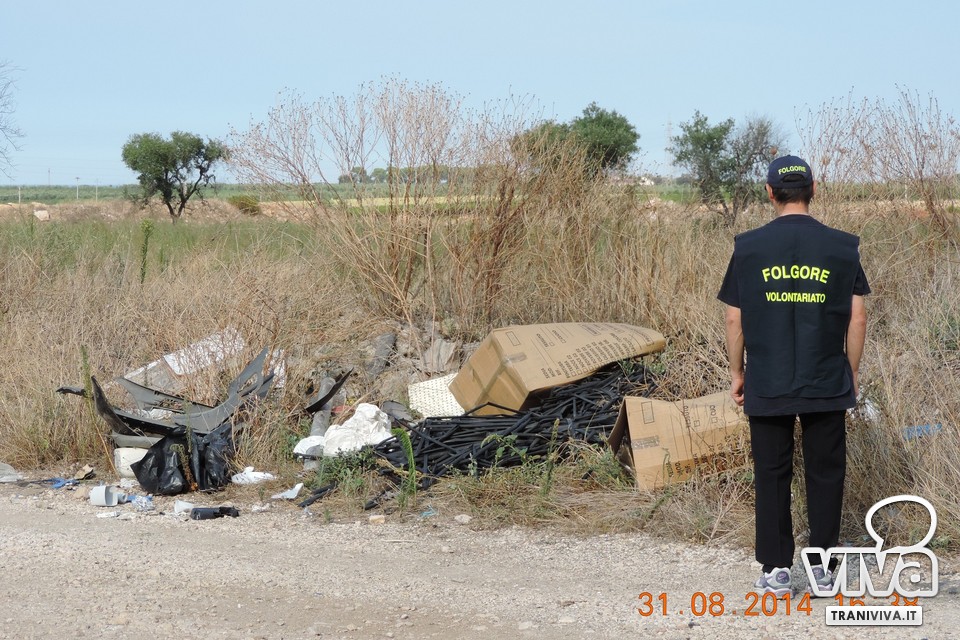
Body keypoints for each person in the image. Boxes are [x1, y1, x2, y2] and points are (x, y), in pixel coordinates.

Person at [717, 155, 869, 598]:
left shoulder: (748, 248)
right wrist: (850, 371)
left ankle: (778, 570)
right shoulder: (842, 247)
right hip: (826, 378)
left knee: (771, 472)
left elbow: (734, 319)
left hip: (768, 378)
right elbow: (858, 317)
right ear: (813, 189)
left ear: (769, 192)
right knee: (826, 472)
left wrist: (737, 372)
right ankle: (822, 570)